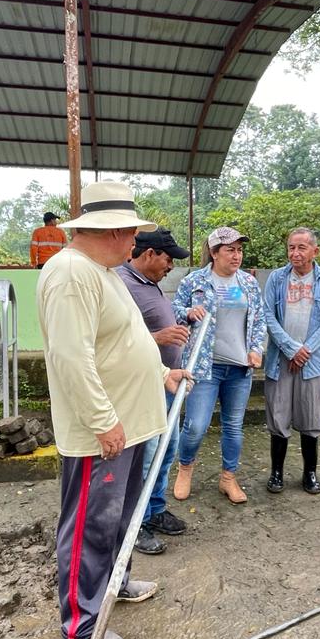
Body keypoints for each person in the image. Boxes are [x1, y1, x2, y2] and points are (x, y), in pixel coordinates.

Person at [37, 180, 190, 639]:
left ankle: (116, 581)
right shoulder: (70, 275)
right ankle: (82, 626)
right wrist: (103, 421)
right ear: (115, 231)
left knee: (121, 515)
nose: (137, 241)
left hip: (131, 423)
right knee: (91, 525)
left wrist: (163, 374)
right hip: (103, 432)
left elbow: (126, 341)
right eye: (133, 233)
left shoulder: (104, 273)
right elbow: (71, 357)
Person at [171, 226, 267, 505]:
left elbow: (259, 320)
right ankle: (185, 469)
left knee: (233, 426)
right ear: (214, 253)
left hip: (239, 368)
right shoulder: (195, 281)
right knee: (196, 425)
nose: (237, 256)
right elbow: (174, 310)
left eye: (239, 250)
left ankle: (228, 477)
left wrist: (256, 349)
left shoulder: (248, 283)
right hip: (204, 368)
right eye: (230, 250)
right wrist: (188, 313)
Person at [116, 227, 192, 555]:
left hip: (167, 382)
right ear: (149, 254)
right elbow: (115, 340)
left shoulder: (149, 283)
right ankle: (137, 523)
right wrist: (158, 338)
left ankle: (156, 508)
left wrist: (182, 321)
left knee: (166, 450)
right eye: (168, 259)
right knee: (146, 457)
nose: (171, 266)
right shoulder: (121, 284)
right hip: (144, 387)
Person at [262, 228, 320, 494]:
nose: (295, 253)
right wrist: (291, 349)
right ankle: (276, 473)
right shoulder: (276, 278)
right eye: (291, 247)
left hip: (312, 362)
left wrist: (305, 351)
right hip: (280, 360)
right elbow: (268, 316)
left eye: (301, 248)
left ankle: (310, 473)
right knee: (278, 416)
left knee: (311, 418)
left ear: (315, 251)